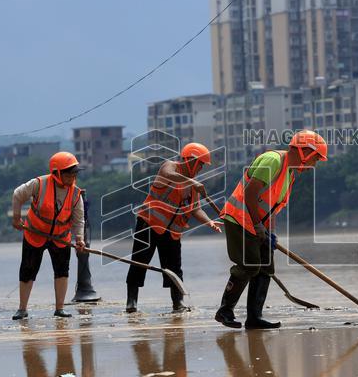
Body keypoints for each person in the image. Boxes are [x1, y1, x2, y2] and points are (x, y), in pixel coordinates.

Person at [215, 130, 327, 330]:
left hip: (258, 225)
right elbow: (250, 194)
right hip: (240, 220)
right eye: (315, 160)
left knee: (265, 268)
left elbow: (272, 207)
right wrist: (258, 226)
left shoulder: (289, 174)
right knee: (249, 266)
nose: (313, 166)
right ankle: (225, 311)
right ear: (305, 152)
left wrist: (270, 233)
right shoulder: (273, 161)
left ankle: (254, 318)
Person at [126, 142, 221, 313]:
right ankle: (131, 302)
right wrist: (191, 181)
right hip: (149, 224)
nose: (201, 168)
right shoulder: (171, 166)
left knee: (174, 268)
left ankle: (178, 303)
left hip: (172, 232)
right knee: (139, 262)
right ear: (189, 160)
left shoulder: (193, 188)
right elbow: (167, 174)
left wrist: (209, 222)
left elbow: (196, 209)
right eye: (200, 164)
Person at [11, 152, 86, 320]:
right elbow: (17, 195)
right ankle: (22, 309)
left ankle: (60, 309)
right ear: (56, 173)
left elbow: (78, 219)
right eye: (68, 174)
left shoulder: (75, 193)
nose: (72, 178)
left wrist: (79, 239)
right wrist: (16, 218)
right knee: (28, 270)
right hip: (35, 233)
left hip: (60, 237)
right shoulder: (39, 184)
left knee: (62, 271)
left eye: (74, 174)